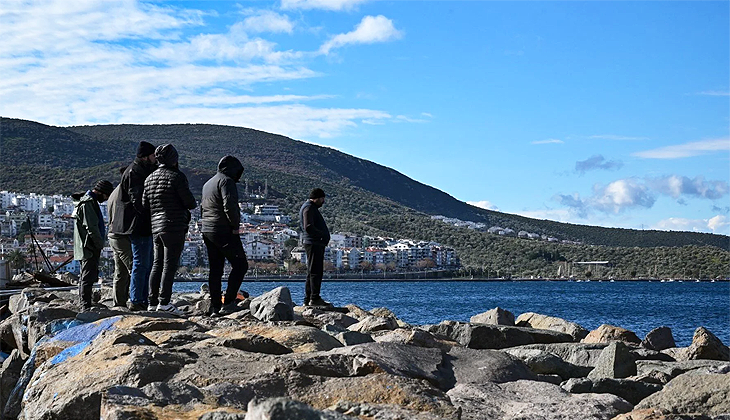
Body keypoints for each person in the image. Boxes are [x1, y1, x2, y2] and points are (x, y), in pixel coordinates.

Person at [143, 144, 196, 313]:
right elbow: (190, 202)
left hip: (155, 226)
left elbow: (145, 204)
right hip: (173, 225)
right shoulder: (177, 176)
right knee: (169, 265)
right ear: (174, 159)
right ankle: (164, 302)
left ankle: (152, 302)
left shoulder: (149, 178)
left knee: (156, 265)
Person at [200, 155, 248, 315]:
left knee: (216, 269)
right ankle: (228, 302)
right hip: (223, 229)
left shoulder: (208, 183)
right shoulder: (226, 181)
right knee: (241, 265)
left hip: (207, 229)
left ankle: (215, 306)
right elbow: (229, 205)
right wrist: (235, 226)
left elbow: (202, 208)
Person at [119, 141, 157, 311]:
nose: (155, 159)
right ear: (145, 156)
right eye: (153, 155)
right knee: (141, 263)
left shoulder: (137, 170)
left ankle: (142, 297)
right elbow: (138, 200)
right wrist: (151, 211)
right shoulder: (135, 172)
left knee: (145, 262)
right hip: (138, 224)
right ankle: (136, 299)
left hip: (141, 224)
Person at [72, 180, 114, 311]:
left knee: (87, 276)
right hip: (89, 246)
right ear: (101, 192)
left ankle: (86, 303)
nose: (106, 199)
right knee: (87, 277)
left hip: (87, 245)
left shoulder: (89, 202)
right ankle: (85, 305)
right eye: (106, 196)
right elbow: (92, 228)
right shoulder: (89, 203)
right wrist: (99, 244)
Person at [299, 188, 331, 306]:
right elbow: (308, 226)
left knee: (312, 271)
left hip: (314, 243)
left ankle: (308, 299)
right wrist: (322, 235)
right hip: (313, 243)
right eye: (322, 199)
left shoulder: (310, 207)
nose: (323, 201)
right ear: (316, 198)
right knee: (315, 272)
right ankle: (314, 298)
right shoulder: (309, 208)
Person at [107, 183, 133, 308]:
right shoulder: (123, 192)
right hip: (121, 235)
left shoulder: (114, 194)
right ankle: (137, 299)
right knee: (133, 267)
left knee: (120, 271)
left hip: (113, 234)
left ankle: (118, 302)